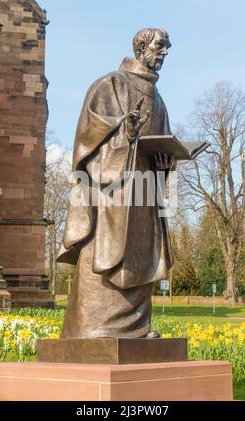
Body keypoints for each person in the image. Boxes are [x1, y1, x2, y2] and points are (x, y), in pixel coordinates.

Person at [57, 28, 176, 338]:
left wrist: (165, 163)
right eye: (160, 45)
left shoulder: (158, 99)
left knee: (143, 255)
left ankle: (136, 329)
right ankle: (94, 329)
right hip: (114, 191)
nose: (165, 51)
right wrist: (125, 136)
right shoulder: (111, 84)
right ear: (142, 46)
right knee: (108, 250)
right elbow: (87, 138)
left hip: (144, 192)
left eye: (167, 46)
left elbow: (160, 144)